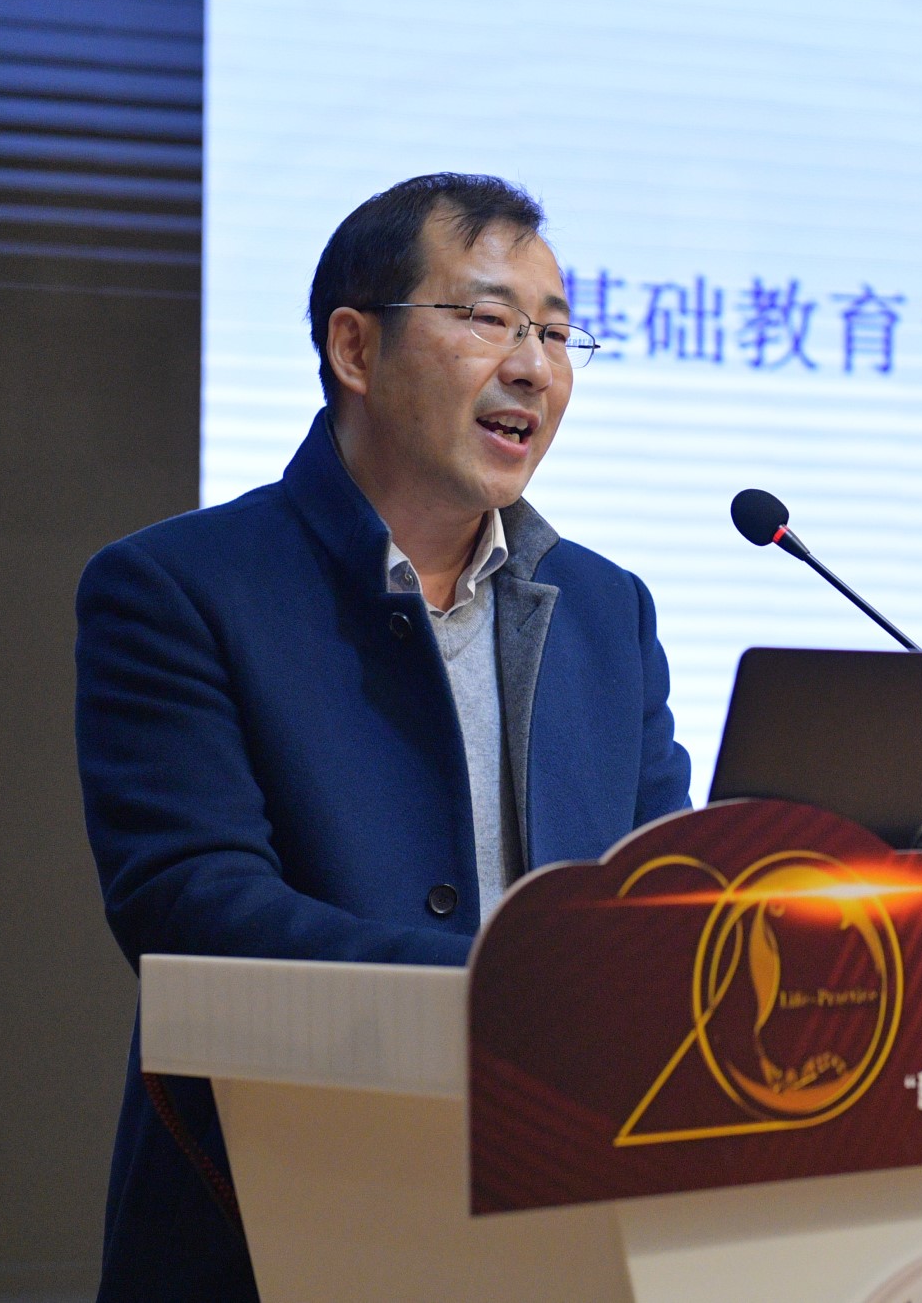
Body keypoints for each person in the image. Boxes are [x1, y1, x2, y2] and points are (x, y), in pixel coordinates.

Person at [75, 173, 691, 1300]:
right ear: (354, 348)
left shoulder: (608, 610)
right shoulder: (176, 589)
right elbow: (193, 909)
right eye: (489, 317)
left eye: (557, 333)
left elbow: (665, 893)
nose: (534, 366)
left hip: (569, 1217)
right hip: (282, 1222)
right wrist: (501, 996)